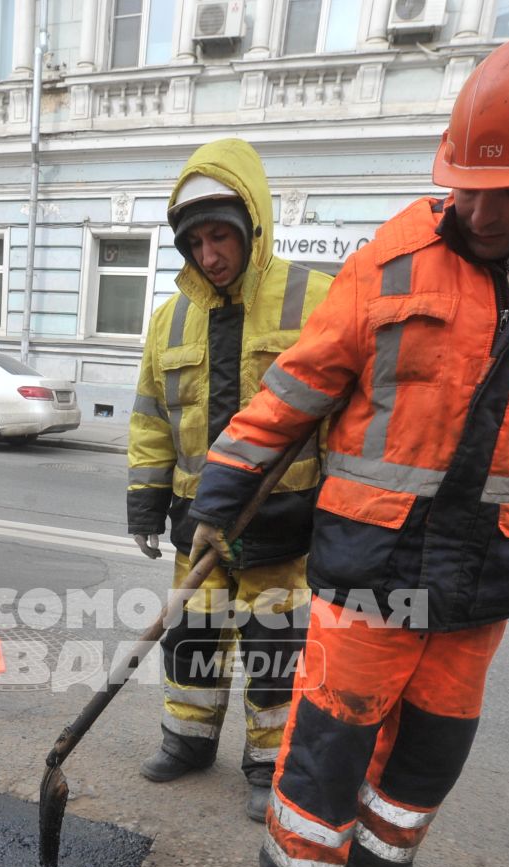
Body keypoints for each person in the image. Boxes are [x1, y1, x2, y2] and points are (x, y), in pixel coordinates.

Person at [188, 34, 509, 867]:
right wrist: (222, 489)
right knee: (333, 727)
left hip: (491, 566)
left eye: (505, 190)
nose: (477, 209)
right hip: (371, 557)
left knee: (437, 737)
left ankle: (381, 857)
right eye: (464, 185)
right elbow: (298, 385)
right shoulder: (398, 254)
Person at [126, 138, 333, 822]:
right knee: (191, 638)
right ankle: (186, 742)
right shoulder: (169, 318)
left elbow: (341, 419)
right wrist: (146, 502)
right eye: (195, 242)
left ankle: (267, 763)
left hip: (282, 520)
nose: (209, 255)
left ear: (254, 227)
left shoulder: (315, 301)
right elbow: (153, 416)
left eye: (222, 237)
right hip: (197, 522)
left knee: (274, 649)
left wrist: (336, 514)